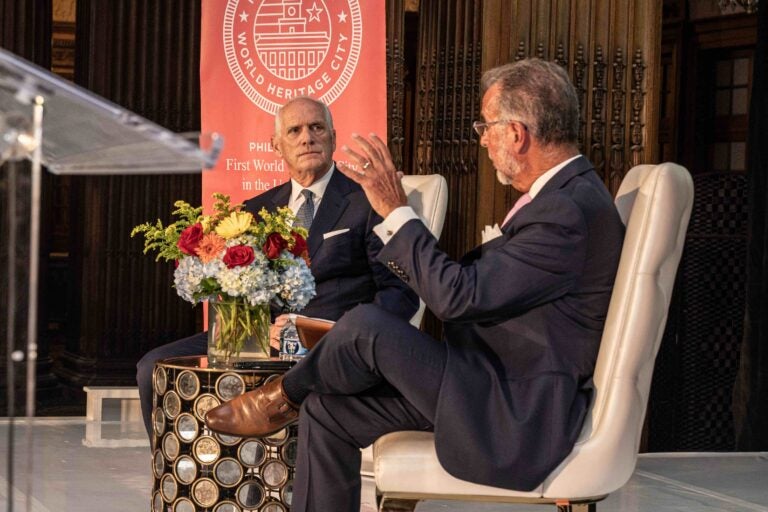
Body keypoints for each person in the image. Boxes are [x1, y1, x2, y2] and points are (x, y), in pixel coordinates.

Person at [205, 58, 626, 511]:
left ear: (517, 133)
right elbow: (471, 288)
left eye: (486, 127)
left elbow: (457, 298)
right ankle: (295, 397)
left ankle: (281, 397)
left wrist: (396, 212)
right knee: (327, 410)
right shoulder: (568, 196)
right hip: (486, 381)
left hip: (511, 409)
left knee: (366, 323)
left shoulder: (564, 210)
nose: (482, 139)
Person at [135, 97, 419, 439]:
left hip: (330, 342)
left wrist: (338, 333)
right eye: (295, 130)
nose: (307, 138)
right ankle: (187, 477)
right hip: (259, 338)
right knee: (151, 366)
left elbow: (400, 294)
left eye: (316, 128)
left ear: (332, 135)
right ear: (276, 145)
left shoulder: (368, 201)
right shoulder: (253, 210)